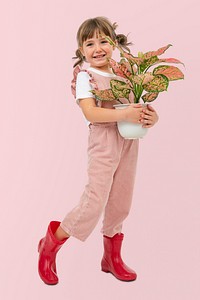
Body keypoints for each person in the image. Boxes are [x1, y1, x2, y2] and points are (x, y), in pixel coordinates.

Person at [38, 16, 159, 285]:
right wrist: (126, 113)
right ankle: (50, 243)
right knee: (94, 201)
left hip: (129, 141)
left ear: (114, 43)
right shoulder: (86, 77)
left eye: (103, 41)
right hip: (104, 141)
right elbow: (91, 113)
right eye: (90, 43)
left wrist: (151, 117)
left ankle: (111, 258)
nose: (98, 48)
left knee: (121, 200)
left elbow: (138, 105)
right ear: (82, 51)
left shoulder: (125, 73)